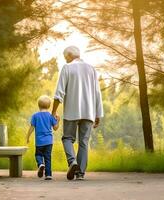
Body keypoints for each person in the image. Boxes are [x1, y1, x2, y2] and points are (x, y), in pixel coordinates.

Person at [52, 46, 104, 180]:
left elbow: (59, 94)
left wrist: (53, 112)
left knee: (67, 138)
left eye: (66, 58)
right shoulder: (91, 69)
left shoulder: (67, 68)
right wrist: (98, 113)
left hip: (72, 111)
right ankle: (80, 173)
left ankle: (72, 162)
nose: (66, 60)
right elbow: (97, 93)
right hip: (89, 112)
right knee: (84, 142)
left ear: (69, 56)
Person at [27, 95, 60, 180]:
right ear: (49, 106)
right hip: (49, 141)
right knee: (48, 157)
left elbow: (32, 127)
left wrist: (28, 136)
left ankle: (40, 164)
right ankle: (48, 174)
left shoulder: (35, 116)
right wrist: (58, 120)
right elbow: (55, 128)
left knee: (38, 154)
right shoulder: (50, 116)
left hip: (39, 141)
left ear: (38, 105)